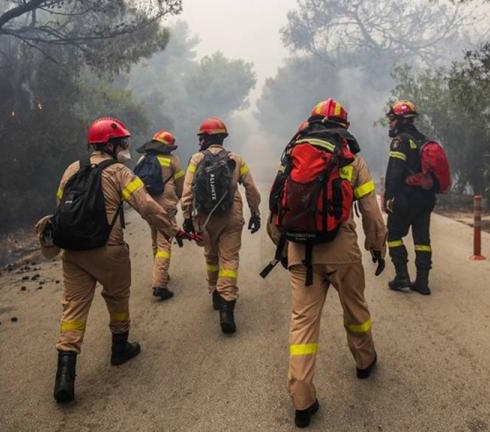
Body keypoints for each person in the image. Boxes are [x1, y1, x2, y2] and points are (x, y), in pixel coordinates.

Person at [36, 117, 184, 404]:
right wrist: (174, 229)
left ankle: (65, 376)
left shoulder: (71, 169)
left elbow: (60, 206)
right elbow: (147, 208)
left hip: (74, 252)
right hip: (108, 249)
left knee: (73, 309)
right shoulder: (119, 172)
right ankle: (120, 349)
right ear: (111, 145)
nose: (126, 146)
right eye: (122, 142)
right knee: (117, 298)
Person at [266, 99, 387, 428]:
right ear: (344, 128)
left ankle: (302, 399)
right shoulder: (351, 159)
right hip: (341, 249)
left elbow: (276, 203)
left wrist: (282, 244)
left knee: (303, 324)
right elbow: (372, 213)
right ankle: (364, 361)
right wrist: (377, 246)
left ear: (312, 121)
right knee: (355, 309)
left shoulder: (293, 152)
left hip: (299, 251)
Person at [181, 117, 261, 334]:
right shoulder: (237, 159)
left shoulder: (196, 160)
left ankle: (215, 292)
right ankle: (227, 305)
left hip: (205, 217)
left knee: (211, 256)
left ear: (205, 139)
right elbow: (251, 189)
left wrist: (187, 217)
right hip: (231, 215)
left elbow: (187, 192)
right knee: (230, 258)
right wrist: (255, 212)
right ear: (222, 138)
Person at [384, 100, 436, 295]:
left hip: (406, 198)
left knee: (394, 235)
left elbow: (395, 172)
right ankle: (422, 282)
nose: (390, 123)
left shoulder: (401, 141)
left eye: (392, 119)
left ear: (401, 120)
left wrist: (389, 197)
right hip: (425, 199)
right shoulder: (423, 140)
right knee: (422, 239)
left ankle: (402, 276)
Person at [134, 130, 185, 300]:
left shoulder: (143, 159)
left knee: (155, 240)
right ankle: (159, 284)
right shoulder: (172, 160)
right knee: (164, 243)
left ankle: (161, 273)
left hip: (148, 206)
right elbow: (180, 185)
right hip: (166, 207)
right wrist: (181, 201)